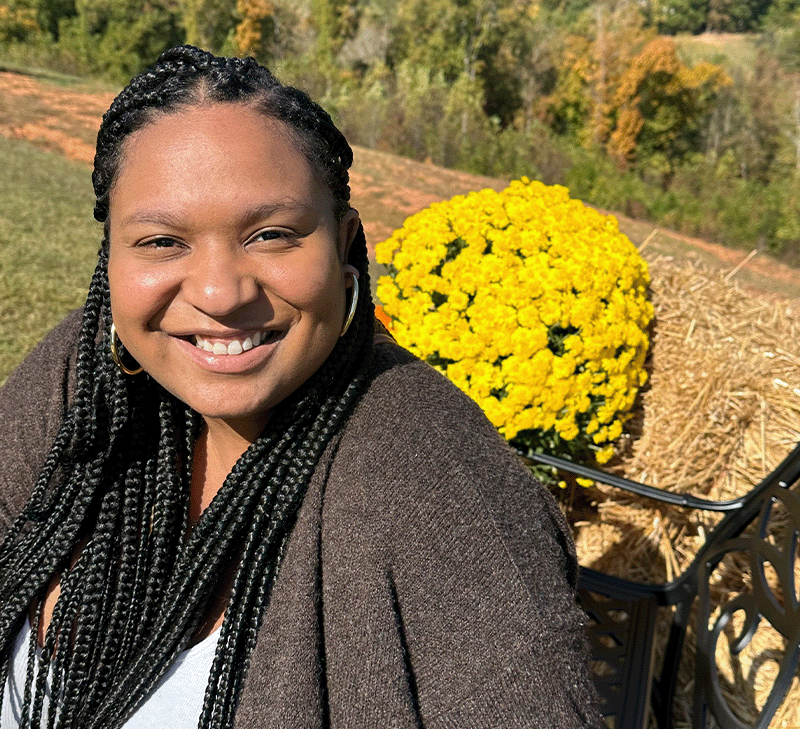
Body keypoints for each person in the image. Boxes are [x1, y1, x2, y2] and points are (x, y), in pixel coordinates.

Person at [0, 45, 603, 728]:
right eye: (163, 242)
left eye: (272, 235)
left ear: (345, 247)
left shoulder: (435, 485)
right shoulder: (80, 377)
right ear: (110, 256)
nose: (220, 294)